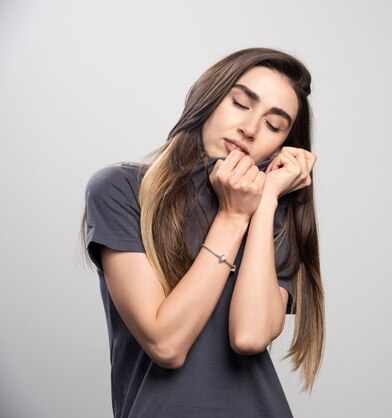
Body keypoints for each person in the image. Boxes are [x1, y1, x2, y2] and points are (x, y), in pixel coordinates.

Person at [79, 47, 325, 417]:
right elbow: (166, 343)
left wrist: (267, 199)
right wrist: (232, 216)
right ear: (207, 98)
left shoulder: (272, 212)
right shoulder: (122, 189)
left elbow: (250, 336)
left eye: (274, 125)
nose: (251, 128)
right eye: (241, 103)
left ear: (282, 146)